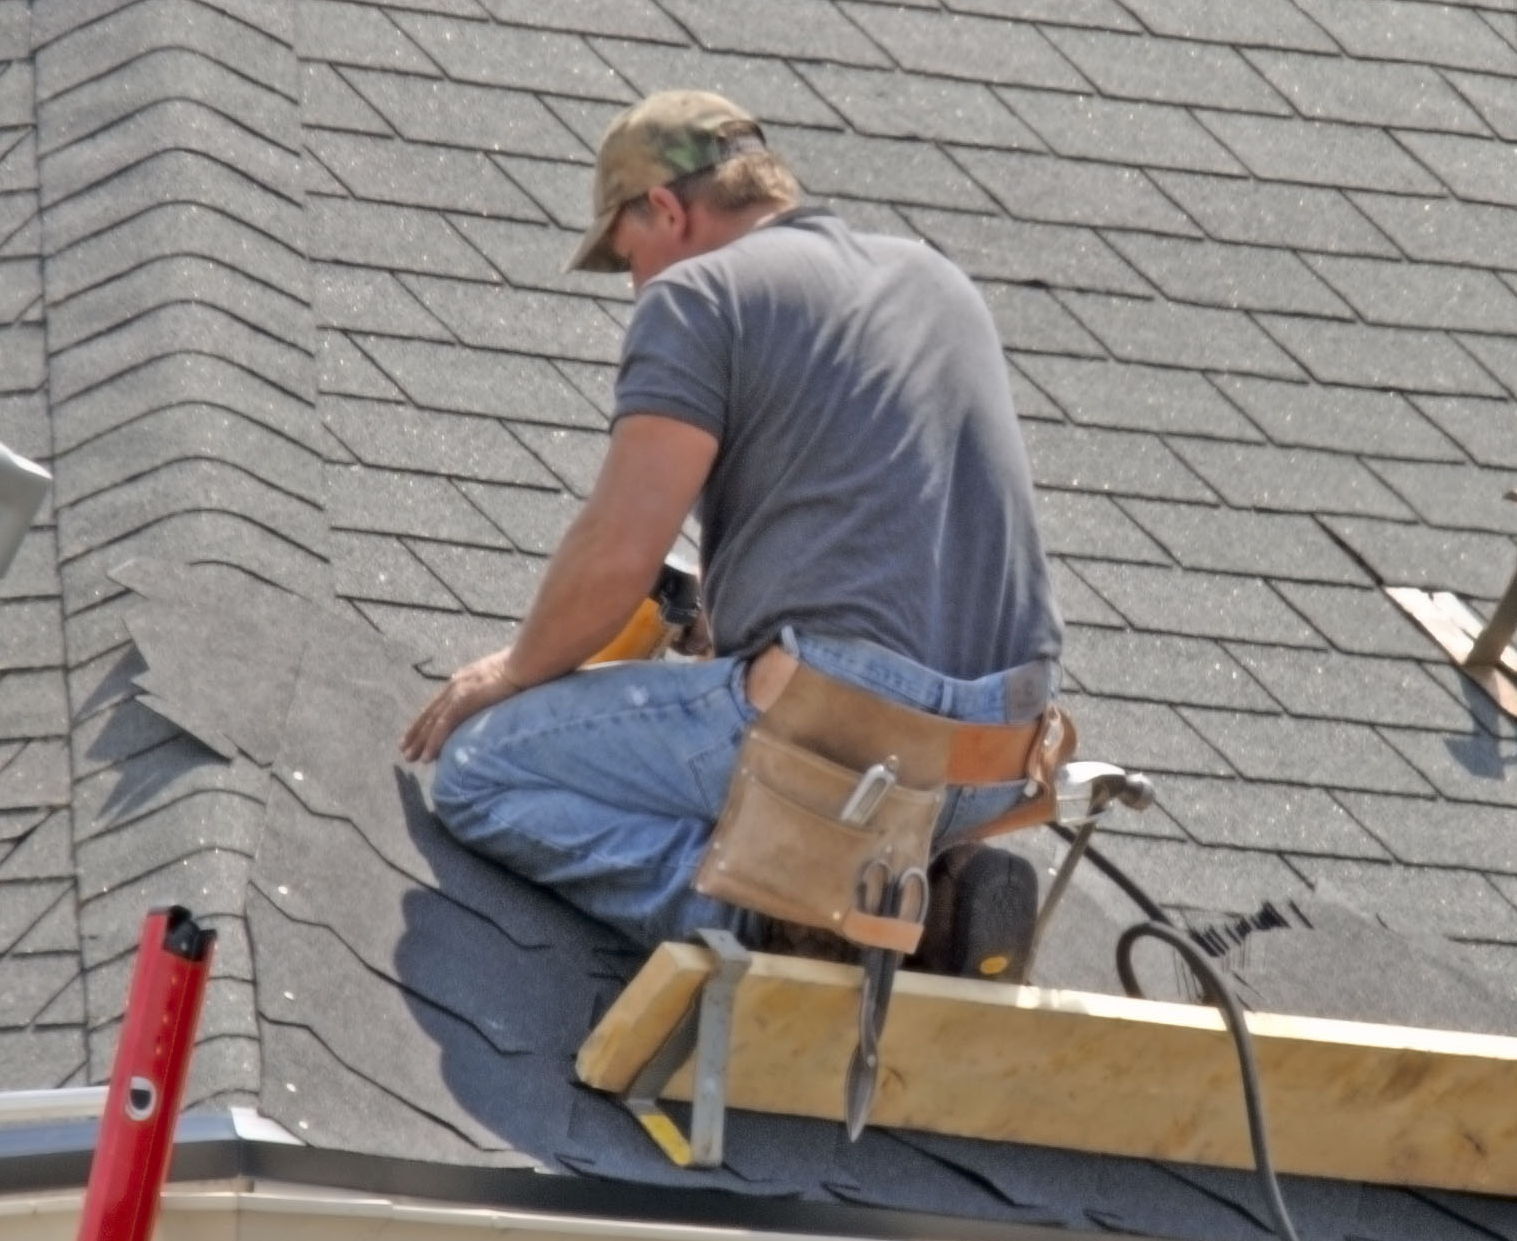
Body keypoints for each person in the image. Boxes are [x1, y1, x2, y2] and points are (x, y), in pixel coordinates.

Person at [401, 90, 1062, 970]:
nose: (639, 283)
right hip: (997, 758)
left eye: (630, 254)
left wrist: (514, 669)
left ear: (667, 210)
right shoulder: (933, 279)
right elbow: (891, 516)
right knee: (756, 695)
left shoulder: (696, 298)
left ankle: (782, 914)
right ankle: (935, 903)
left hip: (838, 739)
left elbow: (620, 550)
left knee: (485, 770)